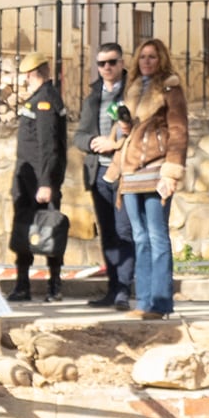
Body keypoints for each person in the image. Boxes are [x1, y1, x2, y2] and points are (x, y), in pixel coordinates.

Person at [109, 36, 188, 320]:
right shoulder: (130, 89)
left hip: (156, 170)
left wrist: (171, 173)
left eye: (152, 57)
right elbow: (128, 134)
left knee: (157, 236)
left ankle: (161, 303)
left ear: (161, 59)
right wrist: (124, 126)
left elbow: (179, 131)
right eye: (143, 57)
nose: (146, 62)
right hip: (131, 172)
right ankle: (143, 303)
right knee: (139, 237)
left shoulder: (170, 87)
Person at [77, 42, 137, 310]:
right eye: (101, 63)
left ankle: (124, 289)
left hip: (125, 171)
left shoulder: (134, 91)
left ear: (122, 63)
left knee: (125, 230)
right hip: (98, 171)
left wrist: (114, 144)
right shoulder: (93, 96)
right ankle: (113, 289)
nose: (107, 68)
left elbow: (141, 129)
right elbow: (78, 135)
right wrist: (93, 142)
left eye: (112, 62)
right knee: (108, 233)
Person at [8, 57, 69, 303]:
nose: (24, 80)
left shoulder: (44, 100)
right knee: (25, 232)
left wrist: (46, 182)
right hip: (28, 179)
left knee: (49, 230)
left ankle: (54, 285)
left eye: (25, 75)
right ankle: (23, 284)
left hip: (38, 181)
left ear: (32, 74)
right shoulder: (42, 96)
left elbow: (48, 144)